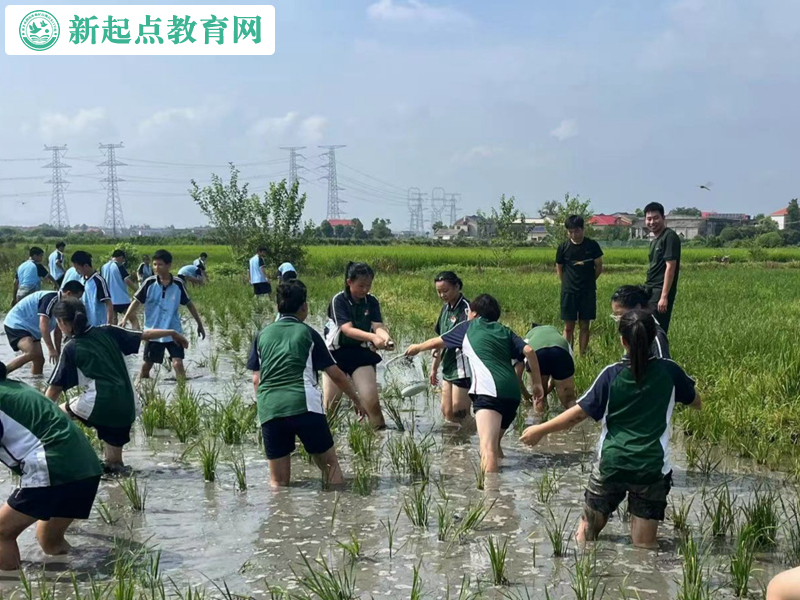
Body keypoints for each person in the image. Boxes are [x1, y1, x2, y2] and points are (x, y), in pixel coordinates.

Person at [519, 310, 701, 548]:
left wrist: (540, 429)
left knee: (585, 538)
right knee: (644, 549)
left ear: (622, 340)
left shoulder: (611, 374)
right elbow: (696, 402)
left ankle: (584, 579)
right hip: (651, 468)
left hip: (612, 464)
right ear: (654, 336)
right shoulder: (670, 372)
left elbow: (577, 414)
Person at [45, 299, 188, 475]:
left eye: (58, 323)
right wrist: (173, 333)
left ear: (63, 323)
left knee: (55, 415)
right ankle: (118, 494)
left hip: (100, 402)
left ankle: (75, 458)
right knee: (115, 466)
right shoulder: (108, 330)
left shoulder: (71, 347)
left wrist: (34, 417)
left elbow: (54, 390)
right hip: (128, 404)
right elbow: (145, 334)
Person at [406, 294, 544, 472]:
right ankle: (504, 490)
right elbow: (529, 351)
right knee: (495, 446)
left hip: (488, 392)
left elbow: (437, 341)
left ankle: (491, 496)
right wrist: (537, 384)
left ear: (474, 313)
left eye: (469, 311)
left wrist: (416, 347)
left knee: (487, 450)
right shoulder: (505, 330)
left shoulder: (468, 327)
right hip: (511, 394)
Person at [247, 280, 365, 487]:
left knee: (279, 483)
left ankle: (280, 517)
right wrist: (357, 399)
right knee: (330, 467)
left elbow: (257, 379)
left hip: (270, 408)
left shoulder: (261, 335)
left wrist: (264, 406)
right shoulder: (308, 334)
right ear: (304, 306)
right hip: (304, 406)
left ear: (278, 307)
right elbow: (336, 375)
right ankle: (339, 512)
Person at [0, 360, 103, 570]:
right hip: (86, 466)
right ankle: (83, 578)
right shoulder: (15, 387)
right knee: (49, 540)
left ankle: (13, 590)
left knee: (2, 532)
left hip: (54, 465)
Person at [323, 262, 394, 429]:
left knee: (372, 404)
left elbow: (378, 326)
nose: (365, 290)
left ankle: (377, 440)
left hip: (360, 354)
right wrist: (373, 338)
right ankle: (331, 444)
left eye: (368, 285)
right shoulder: (339, 300)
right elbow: (347, 329)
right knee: (330, 408)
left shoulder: (372, 301)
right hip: (336, 355)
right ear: (349, 282)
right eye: (361, 285)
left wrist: (386, 339)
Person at [121, 249, 206, 381]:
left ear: (168, 265)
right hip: (154, 332)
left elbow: (189, 304)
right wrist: (125, 318)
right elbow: (136, 302)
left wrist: (200, 324)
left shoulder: (178, 284)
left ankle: (182, 393)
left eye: (160, 264)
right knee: (146, 367)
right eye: (154, 264)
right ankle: (142, 389)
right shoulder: (149, 283)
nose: (156, 268)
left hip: (174, 332)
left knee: (178, 363)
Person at [2, 281, 85, 375]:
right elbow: (43, 325)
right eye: (77, 298)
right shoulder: (51, 299)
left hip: (31, 329)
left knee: (39, 360)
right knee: (31, 352)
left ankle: (36, 383)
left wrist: (58, 352)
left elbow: (58, 331)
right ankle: (3, 373)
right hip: (17, 323)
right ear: (69, 293)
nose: (77, 301)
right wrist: (50, 349)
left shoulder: (63, 307)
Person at [556, 215, 604, 355]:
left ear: (583, 229)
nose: (574, 234)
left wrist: (589, 281)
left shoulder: (592, 245)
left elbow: (599, 267)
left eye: (576, 231)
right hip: (569, 292)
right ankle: (567, 355)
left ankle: (582, 354)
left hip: (587, 292)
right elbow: (559, 267)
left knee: (584, 325)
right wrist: (565, 283)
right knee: (568, 327)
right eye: (570, 232)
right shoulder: (563, 247)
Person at [430, 271, 473, 426]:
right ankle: (455, 449)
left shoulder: (466, 309)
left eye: (445, 291)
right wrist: (434, 369)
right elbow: (439, 340)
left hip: (463, 367)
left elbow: (458, 337)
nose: (442, 295)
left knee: (460, 413)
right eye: (439, 292)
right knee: (447, 412)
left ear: (456, 286)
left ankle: (484, 437)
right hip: (448, 366)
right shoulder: (445, 309)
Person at [517, 323, 576, 412]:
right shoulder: (558, 335)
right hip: (561, 352)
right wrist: (549, 388)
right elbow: (558, 377)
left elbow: (517, 375)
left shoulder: (527, 338)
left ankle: (538, 422)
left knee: (539, 398)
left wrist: (526, 395)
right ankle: (577, 424)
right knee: (569, 400)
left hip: (538, 354)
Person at [644, 202, 681, 334]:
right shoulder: (654, 240)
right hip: (650, 288)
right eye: (649, 219)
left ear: (663, 218)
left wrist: (664, 296)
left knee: (656, 329)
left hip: (660, 291)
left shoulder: (669, 237)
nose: (652, 222)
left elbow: (670, 267)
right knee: (645, 327)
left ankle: (660, 354)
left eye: (655, 218)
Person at [611, 285, 670, 359]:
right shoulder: (629, 331)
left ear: (637, 308)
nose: (618, 319)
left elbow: (664, 366)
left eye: (620, 314)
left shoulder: (656, 336)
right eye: (615, 315)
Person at [71, 251, 114, 328]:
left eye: (78, 268)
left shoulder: (98, 281)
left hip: (98, 325)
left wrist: (109, 324)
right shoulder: (81, 280)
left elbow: (108, 303)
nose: (77, 271)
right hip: (86, 325)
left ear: (86, 266)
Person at [101, 250, 139, 328]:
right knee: (133, 320)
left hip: (110, 300)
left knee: (113, 321)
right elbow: (127, 280)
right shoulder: (119, 266)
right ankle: (137, 337)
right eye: (123, 260)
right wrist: (138, 290)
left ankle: (114, 339)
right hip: (121, 299)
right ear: (121, 257)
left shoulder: (103, 267)